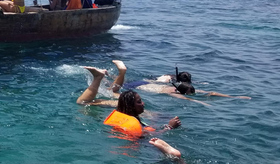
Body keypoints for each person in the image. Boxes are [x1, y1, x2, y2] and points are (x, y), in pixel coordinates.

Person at [77, 61, 250, 106]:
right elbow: (193, 98)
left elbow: (209, 92)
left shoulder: (176, 87)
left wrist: (234, 96)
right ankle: (119, 72)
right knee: (111, 90)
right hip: (138, 87)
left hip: (145, 82)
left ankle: (109, 74)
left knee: (111, 88)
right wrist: (201, 103)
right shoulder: (174, 93)